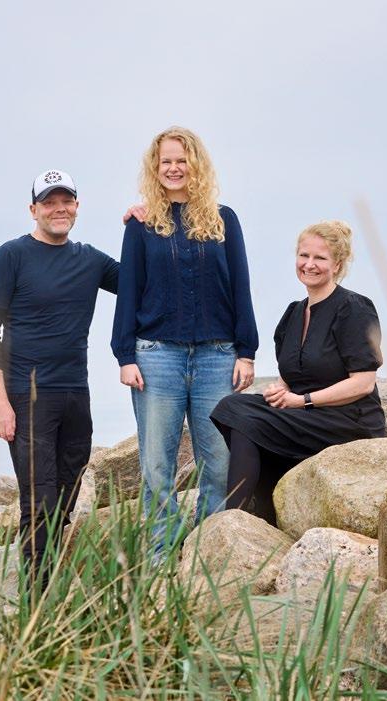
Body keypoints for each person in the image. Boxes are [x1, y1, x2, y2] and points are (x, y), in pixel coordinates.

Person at [111, 126, 258, 556]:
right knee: (157, 464)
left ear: (196, 165)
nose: (174, 168)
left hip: (217, 356)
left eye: (181, 160)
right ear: (155, 168)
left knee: (220, 462)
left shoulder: (224, 220)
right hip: (156, 356)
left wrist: (246, 351)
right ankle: (161, 557)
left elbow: (241, 286)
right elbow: (129, 289)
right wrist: (124, 354)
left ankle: (205, 555)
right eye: (166, 162)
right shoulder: (141, 225)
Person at [0, 169, 119, 588]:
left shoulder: (91, 260)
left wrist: (146, 224)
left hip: (76, 393)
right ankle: (36, 600)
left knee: (66, 497)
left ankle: (51, 588)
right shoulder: (11, 256)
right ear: (33, 209)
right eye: (49, 202)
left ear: (77, 206)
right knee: (38, 501)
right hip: (26, 396)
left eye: (66, 201)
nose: (59, 209)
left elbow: (142, 281)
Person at [211, 220, 385, 525]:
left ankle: (232, 516)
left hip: (348, 420)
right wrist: (279, 391)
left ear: (337, 264)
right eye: (304, 255)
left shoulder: (354, 308)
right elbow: (290, 377)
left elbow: (363, 383)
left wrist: (303, 400)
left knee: (245, 418)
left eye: (320, 258)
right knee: (233, 406)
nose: (309, 264)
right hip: (305, 415)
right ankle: (253, 514)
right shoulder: (293, 312)